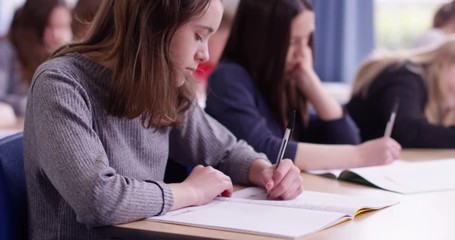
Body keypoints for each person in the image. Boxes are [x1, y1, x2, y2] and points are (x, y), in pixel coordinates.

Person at [23, 1, 303, 239]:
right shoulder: (61, 84)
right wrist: (191, 191)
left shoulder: (163, 85)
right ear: (155, 25)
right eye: (198, 35)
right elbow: (98, 199)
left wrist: (264, 170)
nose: (204, 54)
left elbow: (225, 150)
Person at [205, 0, 401, 171]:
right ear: (261, 41)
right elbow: (263, 150)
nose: (303, 53)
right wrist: (359, 155)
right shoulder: (228, 78)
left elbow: (346, 140)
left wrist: (312, 83)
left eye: (308, 39)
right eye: (293, 42)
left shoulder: (287, 79)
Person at [347, 36, 455, 148]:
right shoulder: (405, 75)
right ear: (443, 60)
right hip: (347, 154)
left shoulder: (434, 94)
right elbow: (405, 131)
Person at [0, 0, 72, 117]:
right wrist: (39, 102)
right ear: (33, 28)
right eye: (49, 26)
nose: (57, 35)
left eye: (63, 26)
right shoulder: (5, 52)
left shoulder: (67, 60)